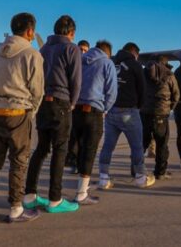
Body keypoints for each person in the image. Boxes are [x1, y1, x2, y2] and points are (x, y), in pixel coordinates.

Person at [0, 13, 44, 223]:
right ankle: (15, 207)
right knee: (19, 160)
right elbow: (37, 89)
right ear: (30, 31)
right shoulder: (32, 54)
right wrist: (32, 111)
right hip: (18, 112)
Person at [24, 15, 81, 213]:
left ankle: (29, 195)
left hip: (43, 103)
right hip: (61, 102)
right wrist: (72, 103)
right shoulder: (71, 48)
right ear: (71, 33)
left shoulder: (44, 49)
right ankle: (55, 199)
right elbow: (75, 80)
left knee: (41, 149)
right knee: (60, 150)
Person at [98, 43, 155, 189]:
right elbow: (143, 89)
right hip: (129, 111)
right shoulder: (135, 65)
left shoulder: (111, 63)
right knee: (136, 146)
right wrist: (139, 106)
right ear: (134, 53)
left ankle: (104, 178)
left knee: (108, 146)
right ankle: (140, 177)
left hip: (111, 110)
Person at [72, 40, 117, 204]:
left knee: (80, 148)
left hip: (76, 110)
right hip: (94, 110)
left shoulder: (79, 60)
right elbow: (112, 91)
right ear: (108, 52)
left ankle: (81, 186)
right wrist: (105, 108)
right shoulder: (107, 63)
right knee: (90, 152)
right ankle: (81, 192)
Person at [141, 56, 180, 180]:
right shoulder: (169, 75)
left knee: (142, 143)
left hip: (145, 112)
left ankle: (136, 169)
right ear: (165, 63)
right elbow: (176, 95)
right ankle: (160, 172)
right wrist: (169, 108)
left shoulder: (144, 73)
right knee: (162, 144)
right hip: (161, 114)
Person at [65, 39, 91, 173]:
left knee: (83, 138)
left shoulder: (90, 66)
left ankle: (79, 163)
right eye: (81, 49)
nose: (82, 52)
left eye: (86, 50)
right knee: (72, 136)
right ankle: (72, 161)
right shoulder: (71, 63)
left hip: (84, 106)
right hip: (72, 105)